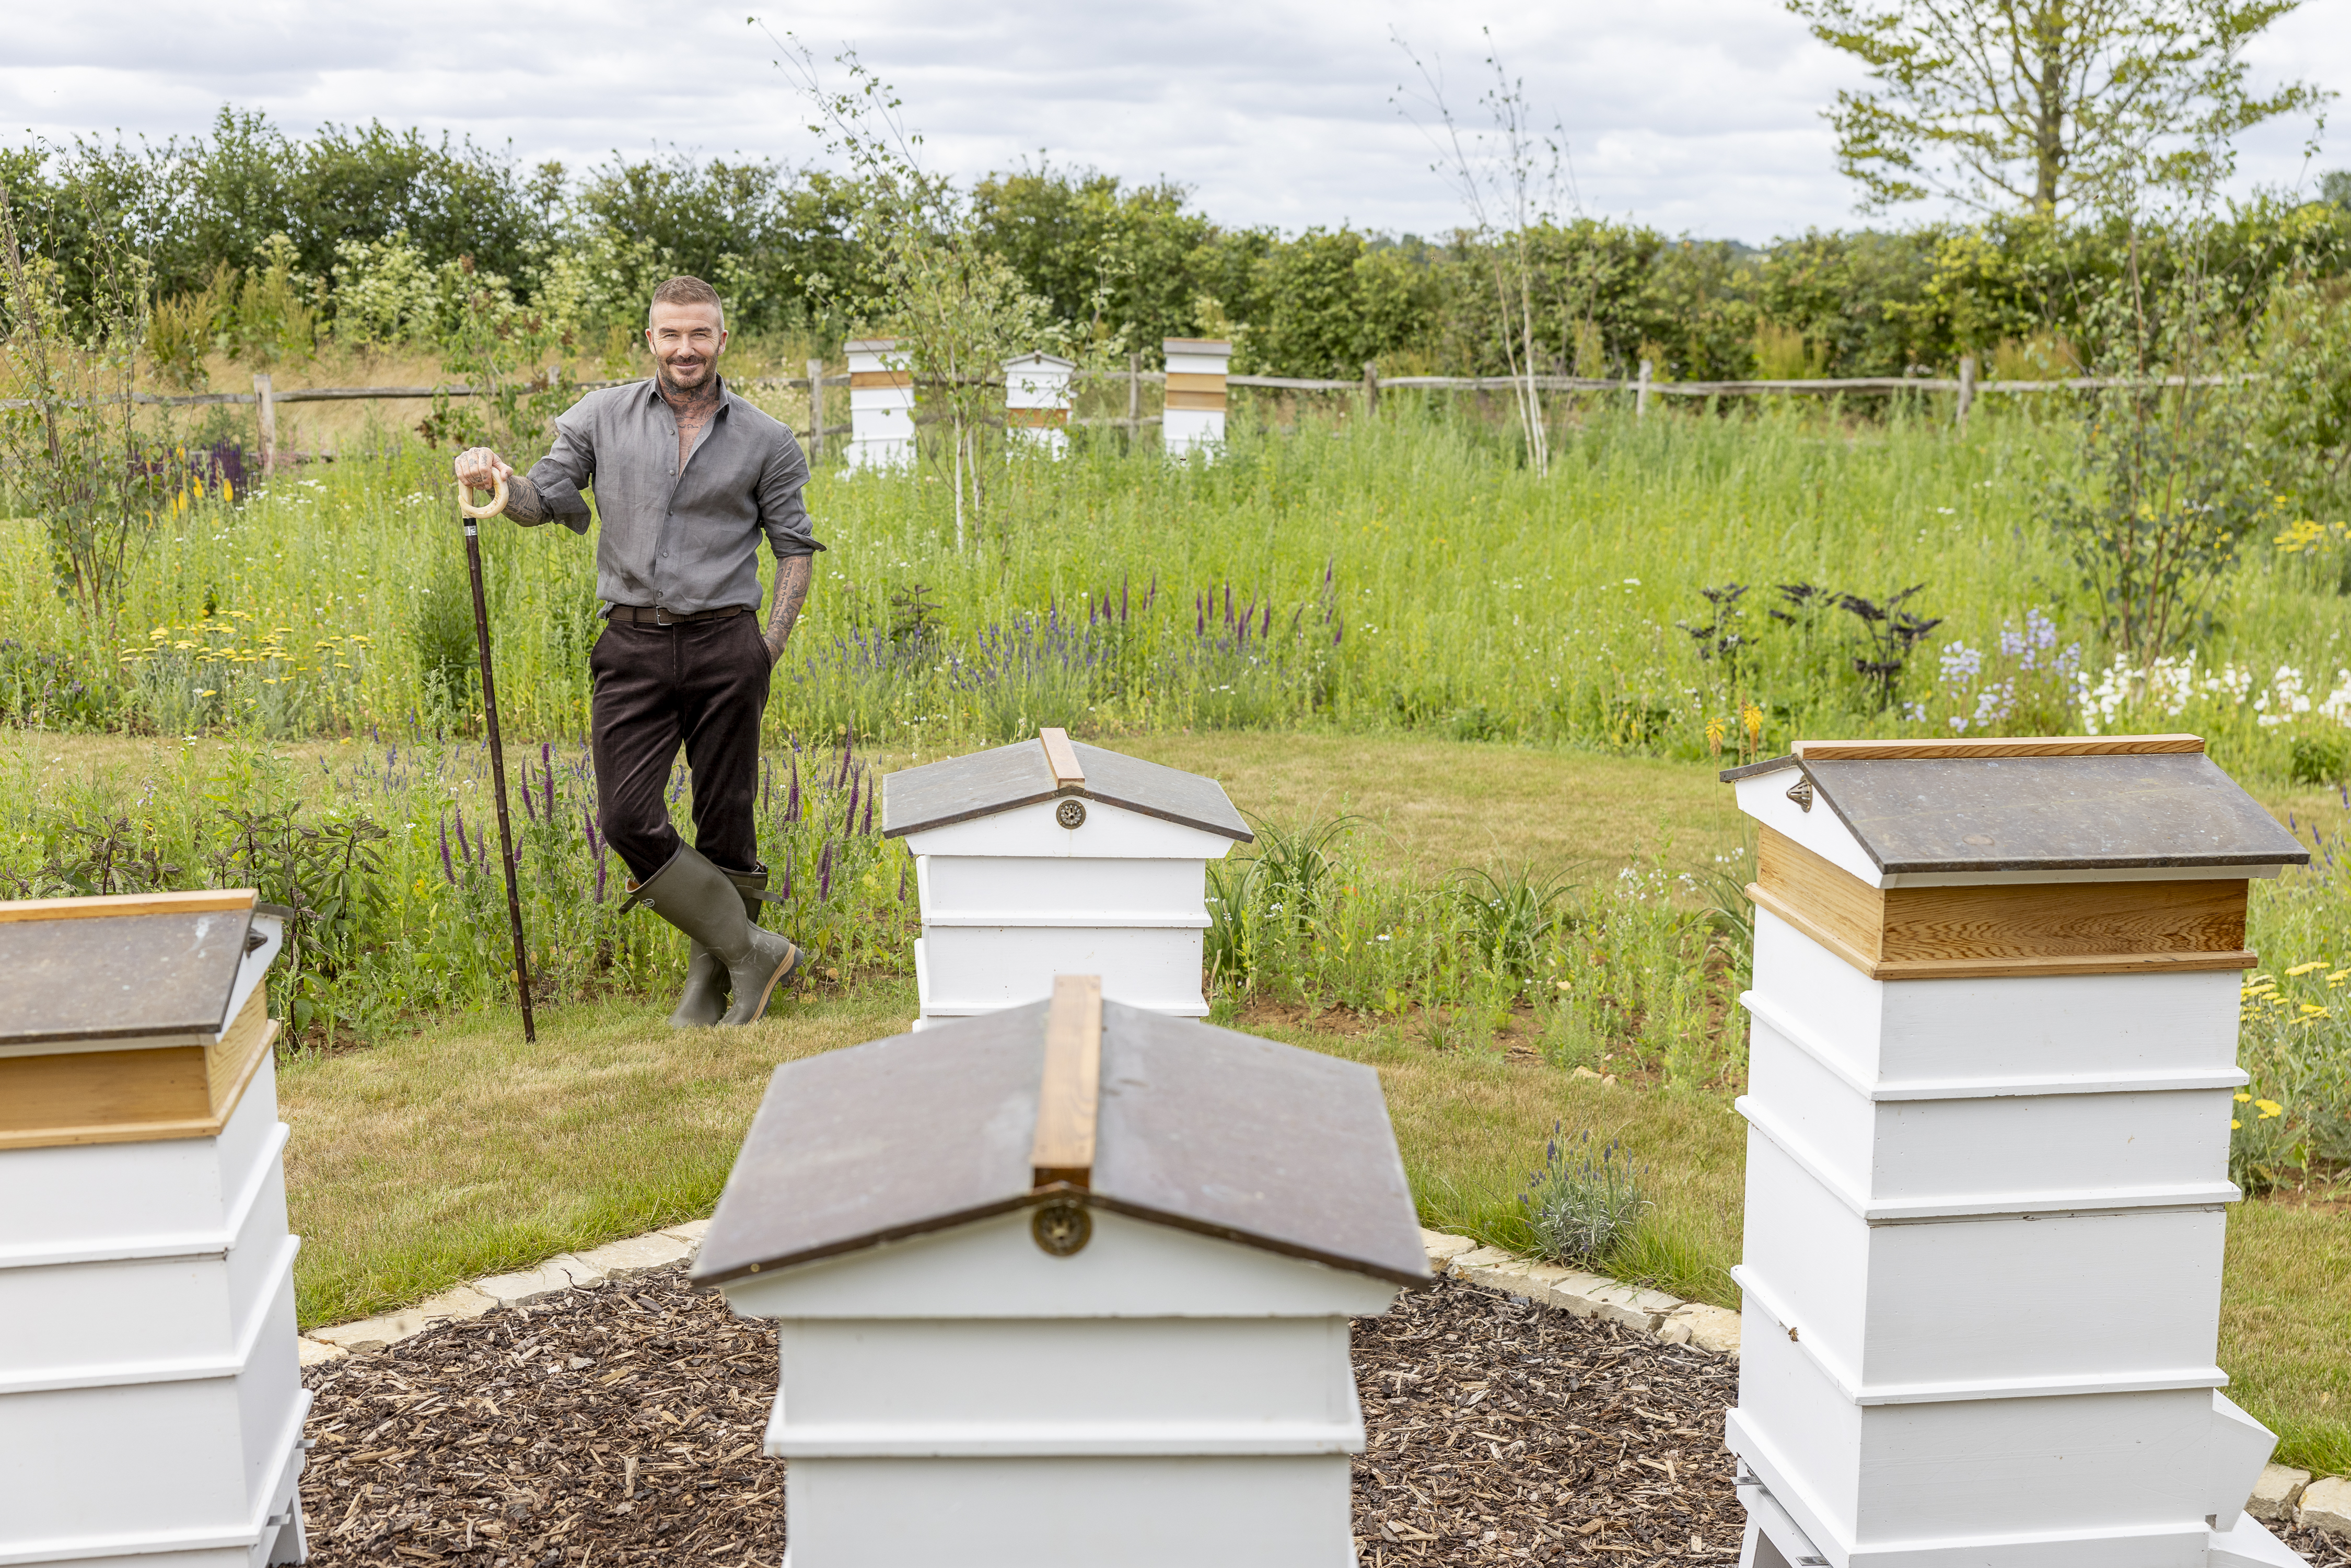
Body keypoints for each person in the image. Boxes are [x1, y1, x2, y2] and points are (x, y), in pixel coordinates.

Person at [452, 275, 819, 1028]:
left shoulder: (768, 439)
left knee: (728, 818)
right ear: (648, 338)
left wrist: (766, 647)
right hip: (631, 643)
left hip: (728, 643)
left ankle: (709, 989)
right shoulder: (600, 417)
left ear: (723, 338)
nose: (686, 348)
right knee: (625, 816)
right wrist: (498, 477)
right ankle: (754, 950)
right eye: (671, 334)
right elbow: (544, 501)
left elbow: (795, 549)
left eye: (700, 333)